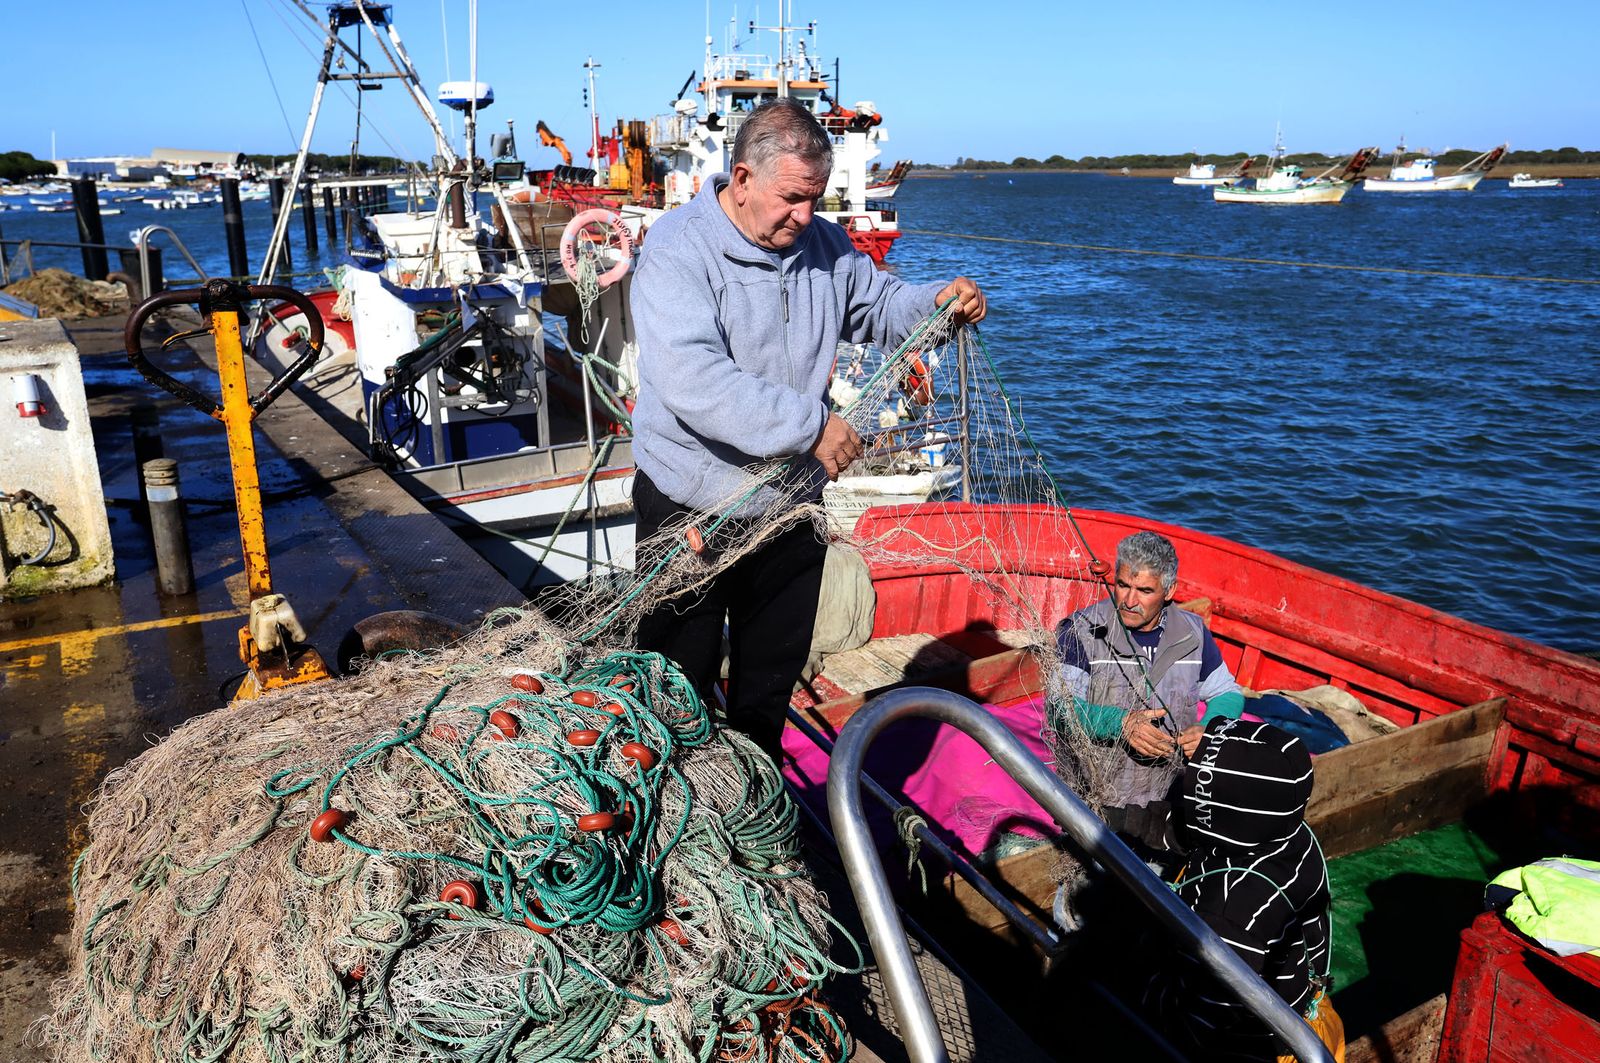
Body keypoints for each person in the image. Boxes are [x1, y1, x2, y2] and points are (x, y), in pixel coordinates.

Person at [628, 97, 985, 758]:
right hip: (689, 507)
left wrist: (934, 302)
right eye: (791, 198)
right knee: (675, 696)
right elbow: (695, 381)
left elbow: (878, 303)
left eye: (815, 199)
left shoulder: (820, 242)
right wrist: (811, 429)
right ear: (741, 179)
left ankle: (754, 819)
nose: (804, 216)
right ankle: (681, 834)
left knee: (766, 690)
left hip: (790, 507)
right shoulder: (677, 250)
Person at [1143, 716, 1342, 1062]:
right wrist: (1121, 820)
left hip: (1248, 1046)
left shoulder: (1232, 911)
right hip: (1306, 1012)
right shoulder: (1292, 836)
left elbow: (1206, 1020)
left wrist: (1149, 990)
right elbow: (1191, 832)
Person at [1053, 530, 1245, 849]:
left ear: (1169, 591)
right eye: (1123, 585)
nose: (1129, 601)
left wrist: (1210, 730)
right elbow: (1060, 710)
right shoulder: (1079, 631)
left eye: (1144, 590)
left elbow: (1228, 692)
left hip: (1171, 800)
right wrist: (1120, 724)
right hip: (1098, 804)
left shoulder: (1193, 633)